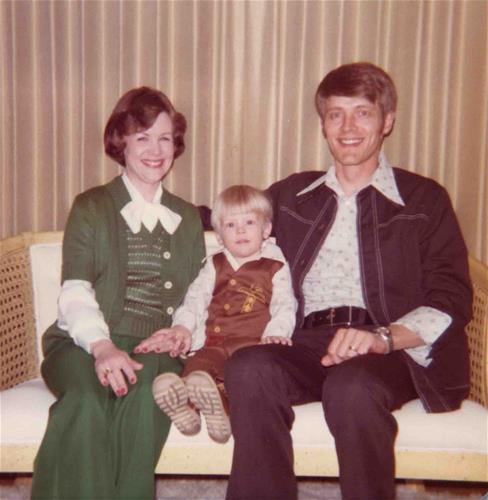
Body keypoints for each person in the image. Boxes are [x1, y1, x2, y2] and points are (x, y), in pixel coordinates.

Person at [224, 62, 473, 500]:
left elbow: (451, 295)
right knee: (249, 367)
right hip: (307, 341)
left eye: (362, 113)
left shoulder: (423, 199)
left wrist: (382, 338)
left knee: (352, 387)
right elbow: (231, 221)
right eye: (336, 114)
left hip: (389, 349)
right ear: (323, 125)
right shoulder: (291, 195)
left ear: (387, 121)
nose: (348, 127)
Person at [31, 87, 205, 500]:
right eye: (142, 137)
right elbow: (75, 288)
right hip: (83, 343)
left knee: (146, 399)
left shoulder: (187, 217)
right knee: (85, 402)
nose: (155, 150)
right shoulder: (91, 206)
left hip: (154, 347)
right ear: (121, 143)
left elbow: (199, 292)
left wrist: (183, 330)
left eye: (165, 138)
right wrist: (103, 347)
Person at [139, 185, 296, 444]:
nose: (241, 231)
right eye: (231, 225)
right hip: (215, 342)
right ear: (220, 236)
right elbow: (195, 300)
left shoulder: (275, 265)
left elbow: (285, 305)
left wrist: (277, 334)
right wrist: (182, 327)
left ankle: (219, 412)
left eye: (249, 222)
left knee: (236, 378)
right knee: (198, 368)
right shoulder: (214, 264)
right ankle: (187, 409)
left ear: (266, 229)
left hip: (252, 347)